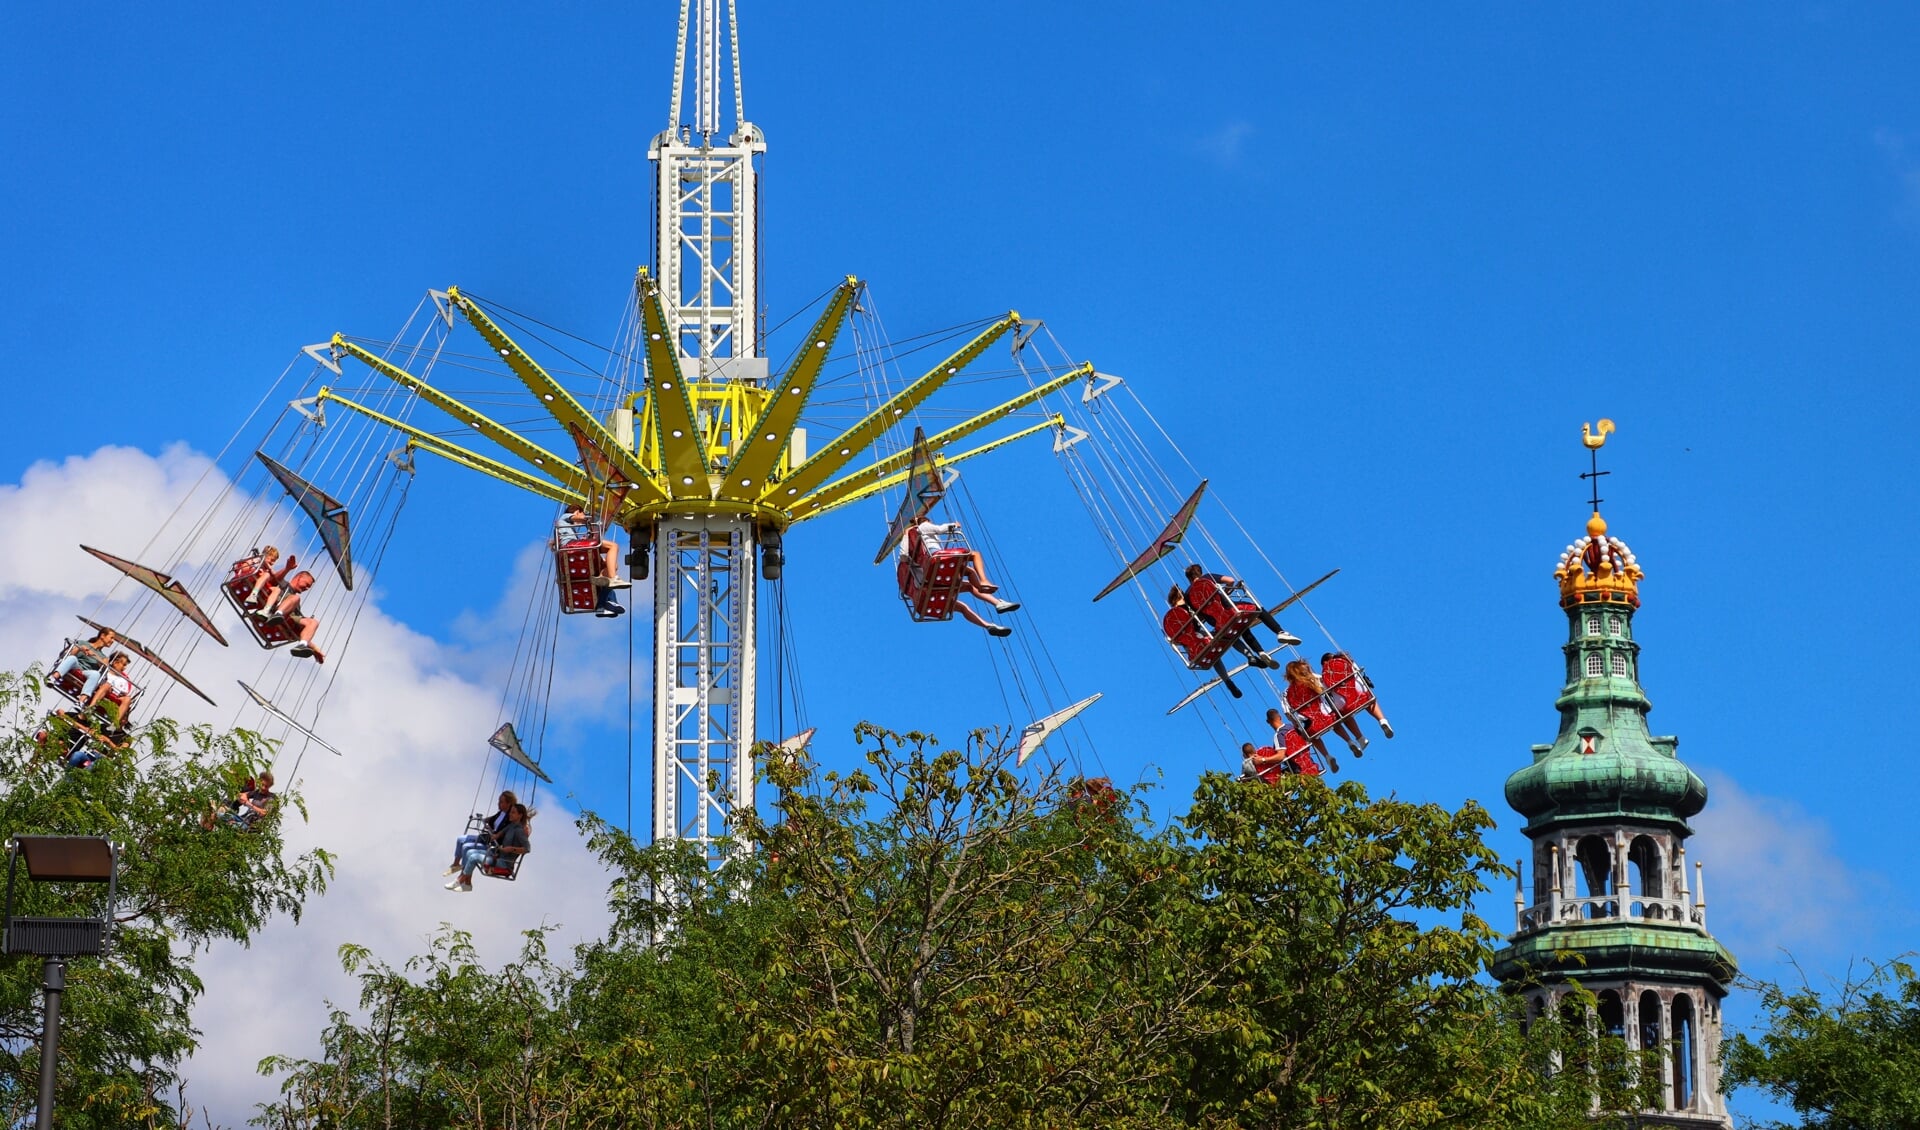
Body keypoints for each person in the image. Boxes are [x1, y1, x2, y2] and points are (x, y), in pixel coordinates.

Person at [897, 522, 1019, 638]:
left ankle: (988, 626)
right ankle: (986, 587)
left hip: (925, 591)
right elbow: (940, 529)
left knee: (962, 607)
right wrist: (954, 525)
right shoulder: (922, 526)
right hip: (933, 570)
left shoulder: (909, 551)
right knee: (973, 559)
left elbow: (903, 556)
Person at [1184, 563, 1300, 664]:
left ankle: (1260, 652)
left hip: (1217, 622)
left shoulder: (1188, 594)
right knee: (1256, 608)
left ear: (1189, 578)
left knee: (1241, 627)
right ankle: (1280, 632)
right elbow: (1230, 580)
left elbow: (1197, 613)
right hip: (1228, 610)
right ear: (1199, 573)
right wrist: (1226, 592)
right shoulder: (1207, 578)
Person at [1165, 586, 1241, 698]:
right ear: (1180, 595)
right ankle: (1248, 657)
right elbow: (1202, 613)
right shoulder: (1186, 608)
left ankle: (1227, 682)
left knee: (1213, 658)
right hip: (1200, 638)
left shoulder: (1170, 618)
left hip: (1191, 649)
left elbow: (1175, 640)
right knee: (1228, 633)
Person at [1283, 660, 1366, 762]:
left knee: (1312, 736)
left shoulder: (1287, 693)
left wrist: (1296, 723)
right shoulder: (1312, 680)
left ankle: (1327, 756)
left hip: (1313, 726)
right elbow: (1327, 686)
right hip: (1327, 717)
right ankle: (1349, 741)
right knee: (1337, 719)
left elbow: (1288, 713)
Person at [446, 803, 531, 891]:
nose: (510, 814)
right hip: (497, 855)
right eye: (510, 812)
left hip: (504, 863)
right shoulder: (511, 826)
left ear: (520, 815)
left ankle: (459, 880)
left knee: (473, 857)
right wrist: (492, 833)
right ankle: (467, 884)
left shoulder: (519, 831)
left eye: (513, 813)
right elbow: (499, 834)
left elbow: (527, 848)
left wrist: (511, 849)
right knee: (469, 852)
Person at [445, 791, 519, 877]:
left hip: (492, 844)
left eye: (501, 802)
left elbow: (502, 834)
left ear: (508, 803)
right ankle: (456, 864)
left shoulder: (509, 819)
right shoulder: (501, 812)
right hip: (486, 837)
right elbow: (492, 818)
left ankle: (463, 875)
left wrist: (491, 830)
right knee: (460, 839)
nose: (498, 804)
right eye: (499, 801)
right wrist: (484, 820)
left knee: (466, 847)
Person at [1321, 651, 1393, 739]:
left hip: (1345, 704)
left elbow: (1324, 690)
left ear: (1324, 663)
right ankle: (1382, 720)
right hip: (1360, 695)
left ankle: (1359, 737)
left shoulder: (1324, 675)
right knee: (1369, 698)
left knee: (1343, 715)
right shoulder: (1347, 662)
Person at [556, 506, 627, 589]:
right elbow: (580, 519)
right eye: (583, 513)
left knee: (614, 566)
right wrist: (590, 520)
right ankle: (614, 578)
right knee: (613, 546)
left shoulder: (570, 530)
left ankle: (601, 577)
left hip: (573, 544)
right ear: (578, 511)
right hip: (570, 544)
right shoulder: (564, 516)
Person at [271, 572, 327, 663]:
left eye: (309, 587)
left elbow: (298, 632)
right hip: (275, 606)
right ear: (299, 577)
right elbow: (273, 577)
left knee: (313, 622)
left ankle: (302, 645)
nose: (307, 588)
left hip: (289, 617)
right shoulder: (283, 584)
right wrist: (288, 568)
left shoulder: (296, 605)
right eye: (307, 584)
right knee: (295, 598)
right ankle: (278, 614)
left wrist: (314, 649)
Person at [1266, 705, 1335, 774]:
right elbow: (1305, 739)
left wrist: (1263, 760)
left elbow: (1280, 756)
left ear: (1268, 721)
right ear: (1280, 717)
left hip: (1298, 771)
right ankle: (1327, 756)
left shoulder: (1279, 736)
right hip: (1311, 766)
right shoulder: (1292, 728)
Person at [204, 772, 276, 830]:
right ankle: (207, 829)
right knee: (216, 814)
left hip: (251, 826)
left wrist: (248, 803)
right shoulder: (257, 792)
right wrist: (241, 796)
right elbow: (242, 795)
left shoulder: (271, 797)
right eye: (262, 785)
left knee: (230, 826)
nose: (263, 788)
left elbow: (264, 813)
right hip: (243, 819)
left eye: (266, 786)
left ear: (270, 786)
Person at [51, 627, 116, 692]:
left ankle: (83, 698)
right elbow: (67, 655)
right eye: (111, 638)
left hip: (86, 673)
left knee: (95, 674)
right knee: (72, 658)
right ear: (103, 636)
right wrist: (80, 648)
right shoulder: (83, 643)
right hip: (75, 666)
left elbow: (105, 666)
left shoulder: (103, 657)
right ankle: (53, 678)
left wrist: (94, 655)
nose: (113, 641)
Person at [239, 546, 296, 610]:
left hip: (260, 584)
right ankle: (253, 595)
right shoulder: (255, 559)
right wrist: (258, 571)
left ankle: (266, 610)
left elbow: (274, 576)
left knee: (277, 590)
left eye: (274, 561)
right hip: (249, 577)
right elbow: (244, 569)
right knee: (267, 575)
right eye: (272, 560)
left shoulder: (267, 569)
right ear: (265, 555)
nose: (272, 563)